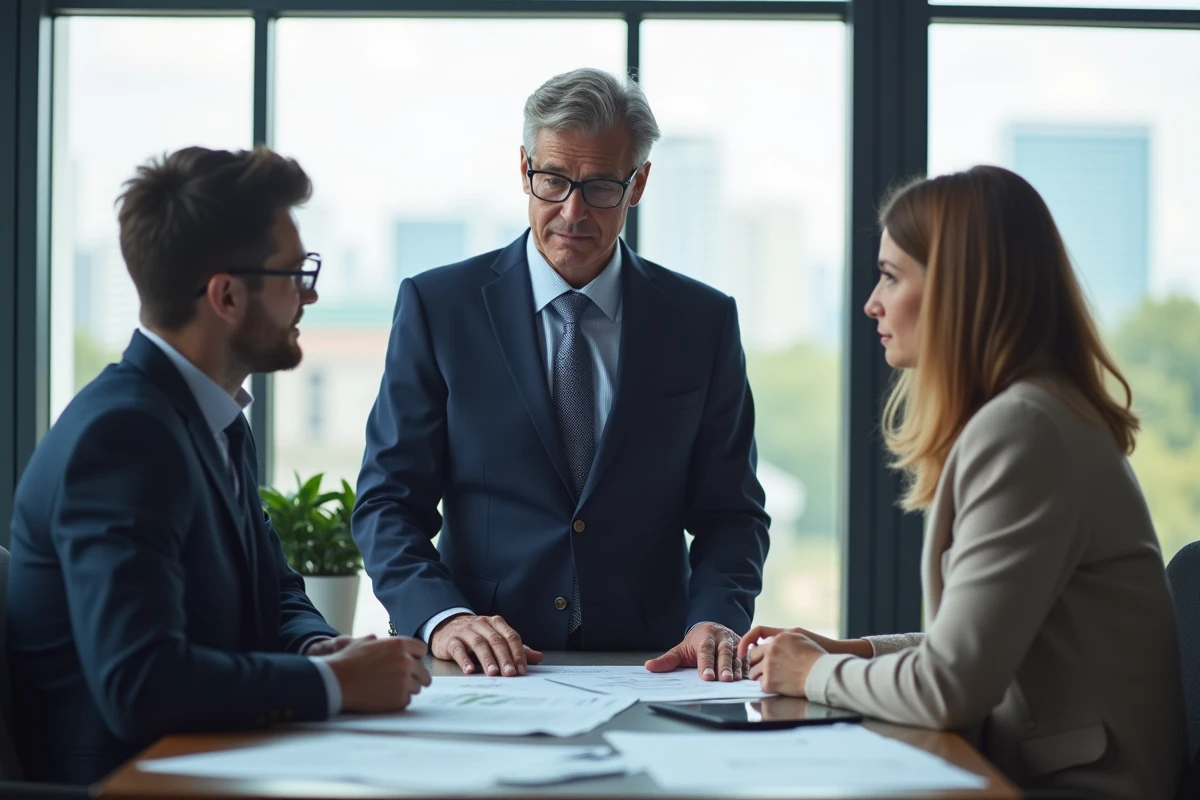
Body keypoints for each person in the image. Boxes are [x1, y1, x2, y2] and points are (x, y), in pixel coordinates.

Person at [737, 166, 1186, 799]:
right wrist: (850, 652)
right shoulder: (1036, 414)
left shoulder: (1026, 429)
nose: (872, 303)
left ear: (959, 290)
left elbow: (950, 687)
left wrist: (812, 672)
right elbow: (978, 644)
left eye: (891, 276)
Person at [6, 146, 430, 785]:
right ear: (227, 295)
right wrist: (333, 684)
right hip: (136, 784)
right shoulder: (123, 438)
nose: (310, 294)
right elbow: (140, 682)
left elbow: (276, 591)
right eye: (294, 274)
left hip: (216, 761)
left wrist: (318, 646)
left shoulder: (213, 419)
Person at [353, 67, 769, 680]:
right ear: (525, 169)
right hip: (486, 666)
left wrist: (714, 619)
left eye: (600, 186)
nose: (573, 211)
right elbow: (388, 501)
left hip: (658, 664)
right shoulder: (439, 307)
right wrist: (442, 618)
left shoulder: (701, 321)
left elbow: (731, 513)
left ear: (638, 183)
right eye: (553, 180)